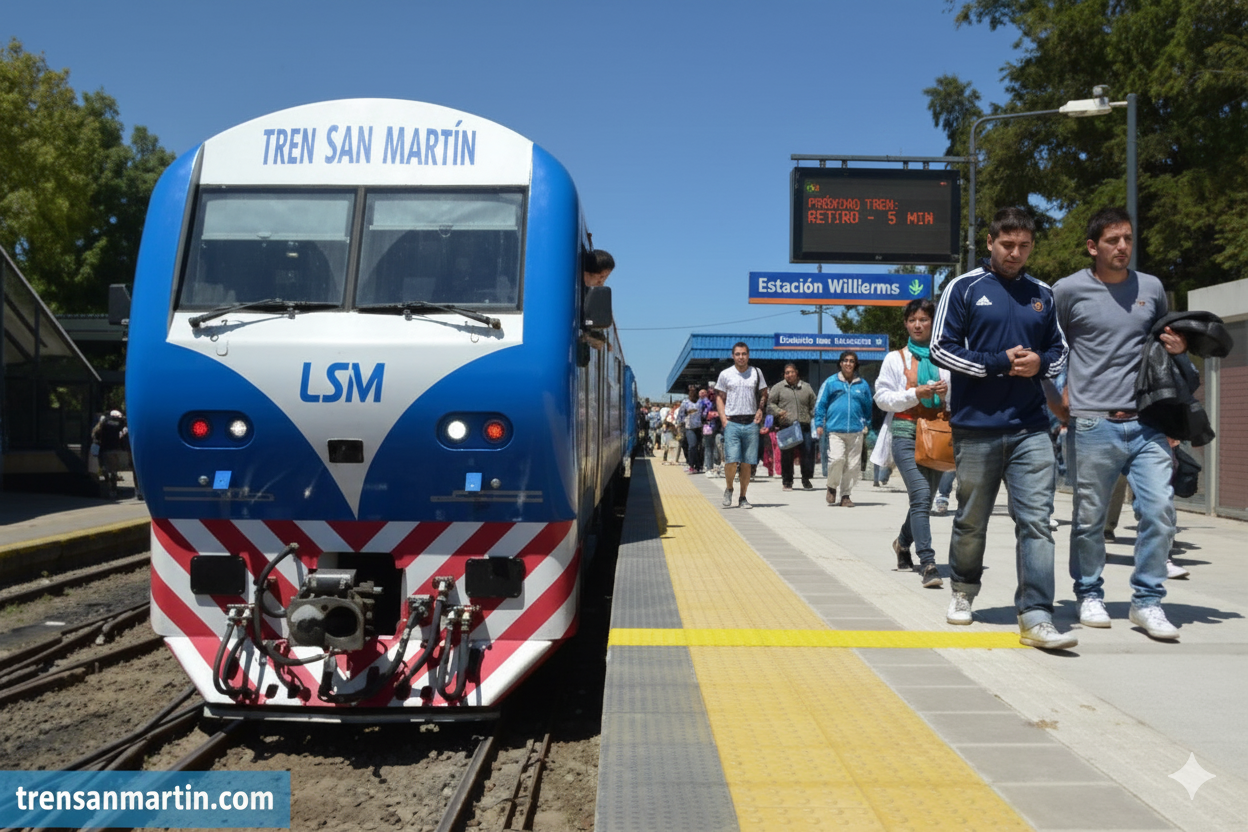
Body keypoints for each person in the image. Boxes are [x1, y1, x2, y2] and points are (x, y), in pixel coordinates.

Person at [931, 206, 1076, 650]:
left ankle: (1036, 614)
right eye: (1007, 245)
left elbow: (1061, 350)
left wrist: (1040, 363)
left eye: (1024, 246)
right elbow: (941, 349)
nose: (1015, 253)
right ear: (990, 243)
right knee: (971, 520)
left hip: (1031, 427)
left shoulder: (1043, 294)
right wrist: (997, 364)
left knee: (1036, 521)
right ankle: (963, 590)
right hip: (975, 427)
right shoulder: (964, 288)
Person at [1053, 207, 1187, 640]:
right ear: (1093, 246)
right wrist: (1057, 398)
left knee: (1160, 512)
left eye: (1127, 238)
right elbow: (1049, 347)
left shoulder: (1151, 287)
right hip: (1093, 423)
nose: (1122, 247)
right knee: (1089, 518)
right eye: (1112, 240)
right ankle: (1089, 592)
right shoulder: (1068, 290)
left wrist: (1180, 351)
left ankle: (1147, 601)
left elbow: (1162, 345)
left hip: (1147, 421)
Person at [874, 299, 952, 588]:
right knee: (920, 493)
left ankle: (902, 542)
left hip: (937, 433)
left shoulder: (946, 358)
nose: (918, 325)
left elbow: (958, 398)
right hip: (906, 431)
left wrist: (945, 395)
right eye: (912, 320)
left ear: (933, 323)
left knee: (923, 500)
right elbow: (882, 398)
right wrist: (914, 393)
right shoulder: (895, 359)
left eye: (924, 319)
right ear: (906, 324)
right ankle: (928, 561)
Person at [813, 351, 873, 507]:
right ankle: (832, 486)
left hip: (856, 431)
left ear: (855, 364)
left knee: (853, 466)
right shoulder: (831, 382)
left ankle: (845, 495)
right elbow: (821, 404)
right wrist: (819, 423)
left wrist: (867, 423)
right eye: (845, 360)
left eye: (851, 361)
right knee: (837, 459)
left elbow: (868, 407)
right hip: (835, 430)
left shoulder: (863, 385)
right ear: (840, 363)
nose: (848, 363)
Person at [715, 342, 767, 509]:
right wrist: (723, 419)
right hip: (733, 423)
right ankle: (729, 488)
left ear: (748, 355)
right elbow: (719, 397)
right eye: (737, 354)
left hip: (751, 422)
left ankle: (743, 496)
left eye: (744, 354)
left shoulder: (756, 373)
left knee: (747, 463)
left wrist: (760, 410)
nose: (741, 357)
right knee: (731, 460)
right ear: (733, 356)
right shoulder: (725, 374)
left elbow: (764, 393)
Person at [768, 363, 817, 491]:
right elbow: (770, 404)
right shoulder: (778, 387)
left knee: (807, 453)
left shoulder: (806, 387)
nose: (789, 375)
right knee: (787, 455)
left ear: (797, 373)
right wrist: (779, 412)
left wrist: (811, 415)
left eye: (791, 372)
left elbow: (814, 404)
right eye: (786, 373)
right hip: (787, 426)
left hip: (804, 426)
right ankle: (787, 481)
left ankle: (806, 479)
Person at [676, 385, 704, 472]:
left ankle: (699, 465)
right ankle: (691, 464)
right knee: (692, 445)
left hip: (699, 427)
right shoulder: (685, 403)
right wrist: (679, 427)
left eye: (694, 391)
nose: (692, 393)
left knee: (700, 447)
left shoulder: (700, 402)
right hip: (689, 427)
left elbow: (704, 412)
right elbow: (680, 416)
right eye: (690, 391)